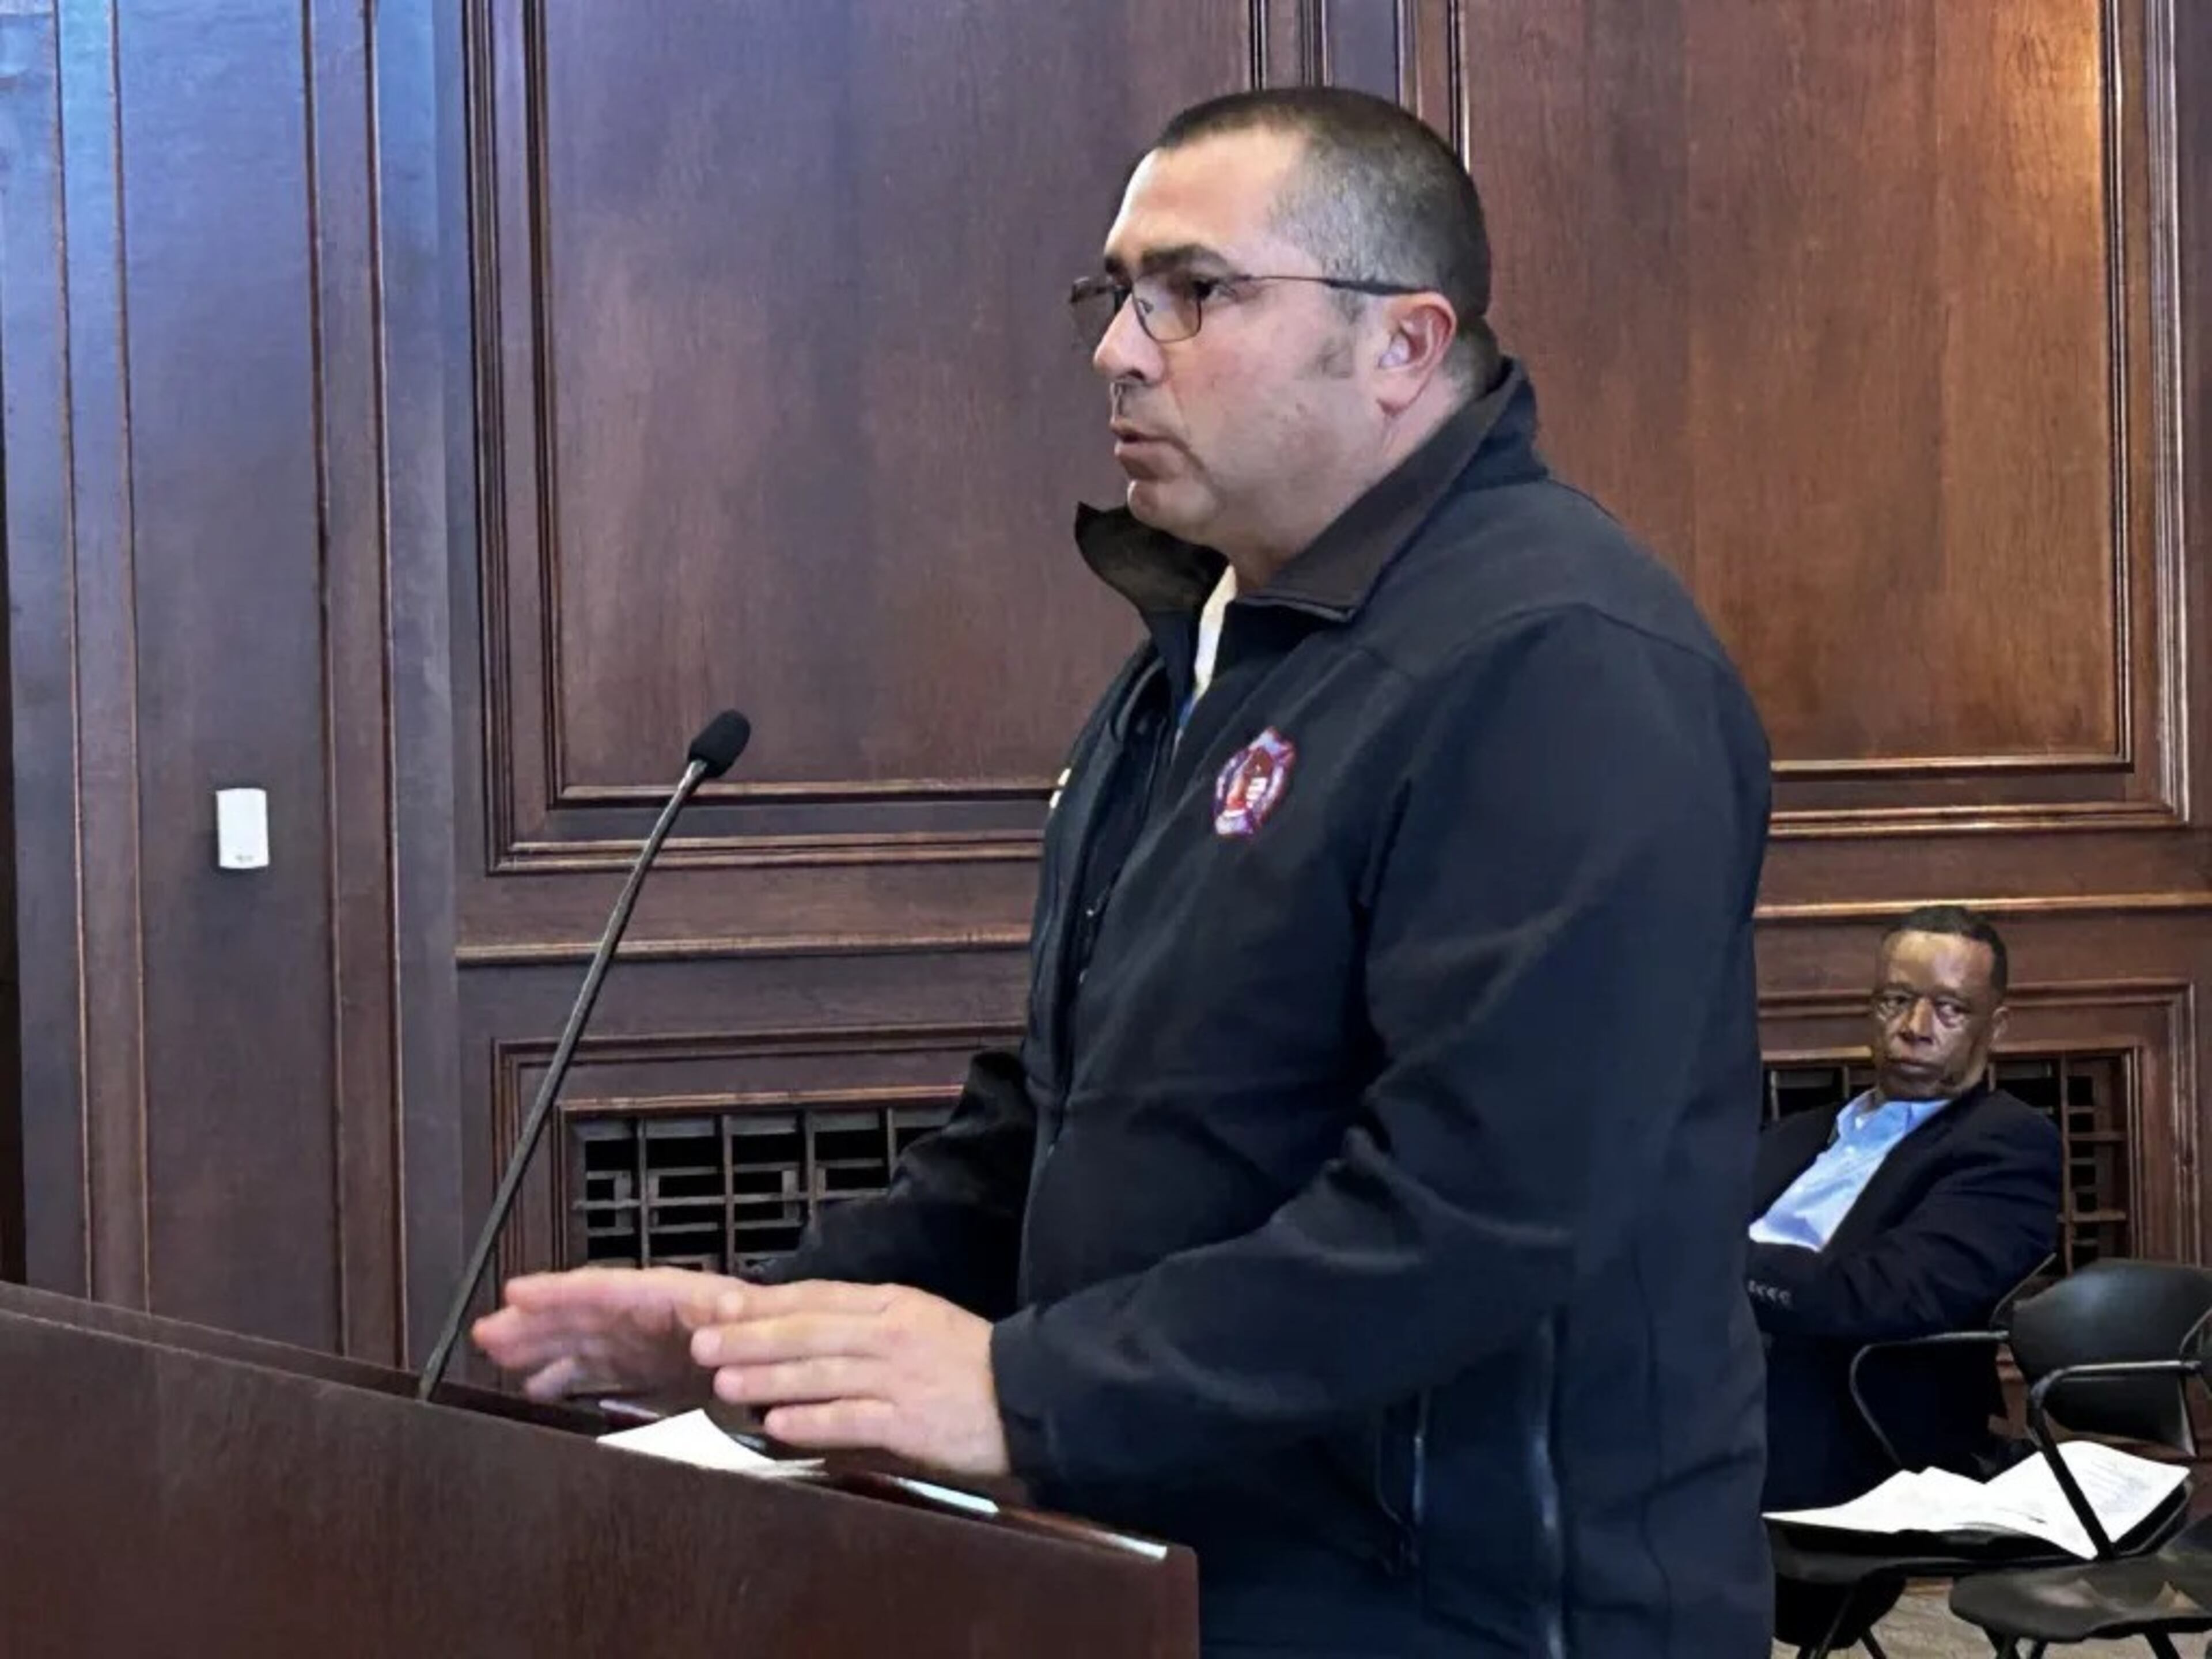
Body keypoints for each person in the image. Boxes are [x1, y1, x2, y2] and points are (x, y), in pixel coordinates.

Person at [476, 87, 1775, 1656]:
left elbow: (1486, 1204)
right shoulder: (1214, 650)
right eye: (1117, 293)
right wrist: (771, 1335)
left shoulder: (1558, 655)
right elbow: (1071, 1116)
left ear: (1405, 346)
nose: (1118, 347)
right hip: (1183, 1563)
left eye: (1195, 293)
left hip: (1467, 1607)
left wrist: (1026, 1394)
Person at [1753, 906, 2061, 1645]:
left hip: (1852, 1423)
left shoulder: (2006, 1145)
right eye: (1897, 999)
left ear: (1999, 1025)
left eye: (1950, 1008)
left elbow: (1886, 1295)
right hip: (1707, 1375)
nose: (1917, 1025)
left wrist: (1706, 1266)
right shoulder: (1794, 1137)